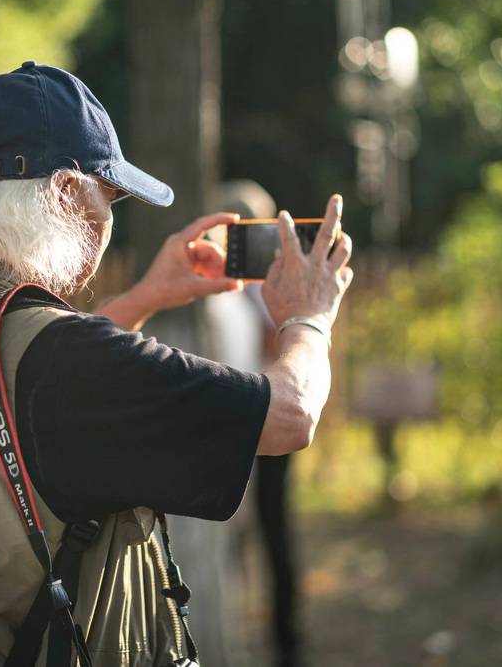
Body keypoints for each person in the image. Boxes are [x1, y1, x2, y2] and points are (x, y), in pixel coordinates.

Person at [0, 61, 353, 666]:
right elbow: (290, 417)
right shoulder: (69, 361)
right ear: (67, 195)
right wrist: (309, 318)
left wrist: (149, 295)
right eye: (110, 196)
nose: (108, 221)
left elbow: (45, 387)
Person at [202, 181, 303, 667]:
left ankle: (286, 642)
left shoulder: (268, 292)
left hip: (271, 428)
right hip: (234, 429)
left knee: (274, 534)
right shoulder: (215, 296)